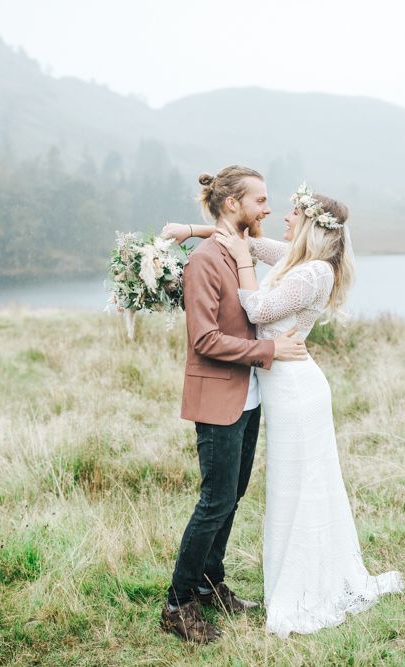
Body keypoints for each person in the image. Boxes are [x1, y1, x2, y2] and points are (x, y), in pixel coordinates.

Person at [164, 182, 403, 639]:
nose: (283, 216)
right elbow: (245, 240)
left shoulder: (313, 272)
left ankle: (256, 583)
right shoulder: (296, 259)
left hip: (289, 388)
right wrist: (191, 229)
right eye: (273, 206)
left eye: (294, 214)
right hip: (266, 383)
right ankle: (181, 602)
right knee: (224, 497)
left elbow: (257, 304)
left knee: (287, 488)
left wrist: (247, 267)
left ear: (312, 227)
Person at [160, 166, 309, 644]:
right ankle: (177, 604)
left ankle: (208, 584)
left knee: (234, 493)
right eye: (260, 200)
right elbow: (204, 339)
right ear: (232, 205)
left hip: (247, 399)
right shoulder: (204, 262)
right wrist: (269, 351)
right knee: (214, 500)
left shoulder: (237, 251)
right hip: (217, 399)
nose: (267, 209)